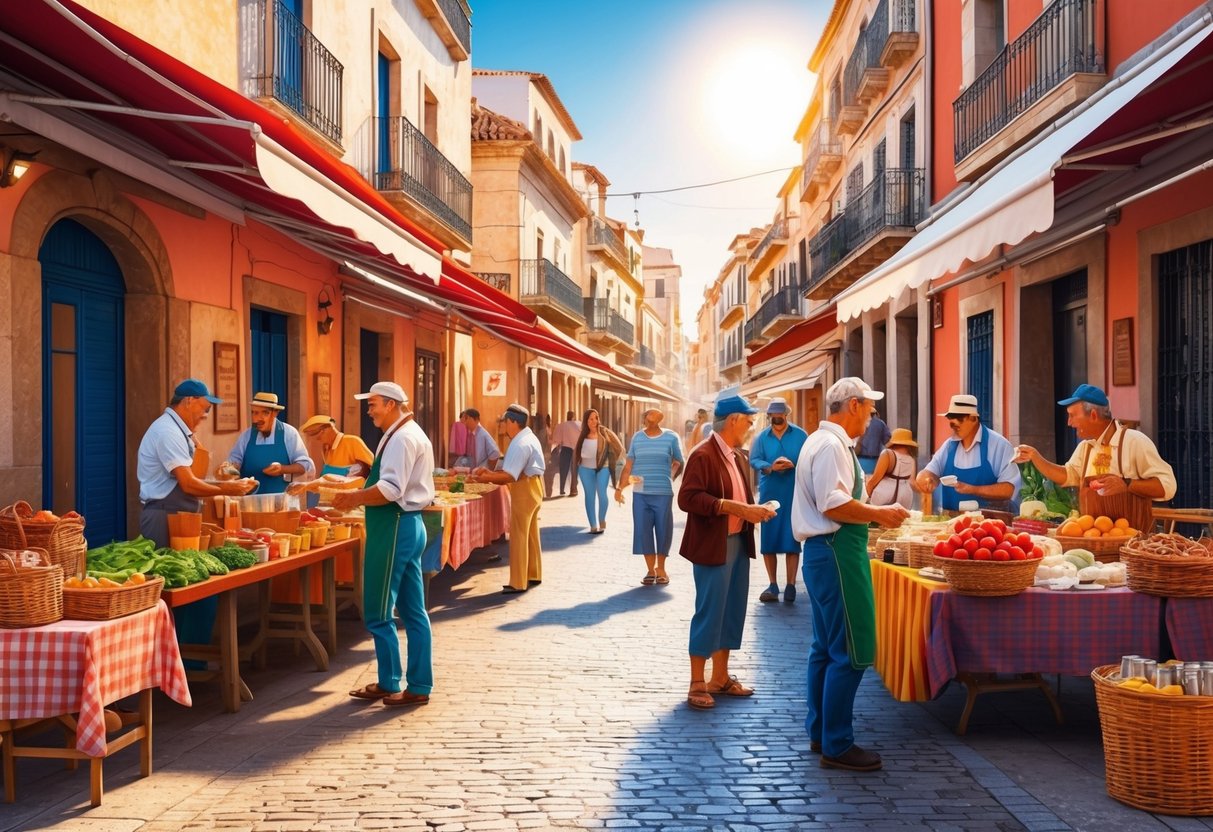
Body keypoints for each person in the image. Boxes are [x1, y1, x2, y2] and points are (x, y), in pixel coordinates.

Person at [793, 378, 910, 772]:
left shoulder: (818, 441)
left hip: (825, 552)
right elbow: (834, 504)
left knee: (825, 648)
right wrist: (879, 513)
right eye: (871, 409)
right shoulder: (831, 446)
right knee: (853, 650)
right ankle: (837, 743)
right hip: (837, 551)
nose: (872, 418)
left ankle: (821, 732)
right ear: (855, 406)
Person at [136, 379, 256, 651]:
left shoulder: (181, 432)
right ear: (188, 401)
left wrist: (220, 481)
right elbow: (188, 484)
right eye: (203, 408)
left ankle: (190, 660)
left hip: (181, 515)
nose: (205, 416)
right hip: (164, 517)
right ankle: (172, 661)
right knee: (171, 593)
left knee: (194, 589)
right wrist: (229, 488)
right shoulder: (167, 431)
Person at [336, 382, 434, 709]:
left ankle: (390, 681)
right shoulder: (405, 432)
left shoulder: (402, 437)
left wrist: (351, 498)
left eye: (373, 404)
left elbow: (390, 489)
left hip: (393, 527)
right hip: (407, 526)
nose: (369, 410)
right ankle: (418, 685)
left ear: (391, 405)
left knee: (378, 612)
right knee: (414, 612)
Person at [678, 395, 777, 711]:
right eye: (749, 421)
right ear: (733, 420)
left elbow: (739, 497)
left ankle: (719, 677)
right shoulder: (703, 454)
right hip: (713, 544)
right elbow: (688, 498)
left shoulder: (738, 456)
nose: (751, 428)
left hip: (736, 541)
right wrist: (732, 507)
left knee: (732, 610)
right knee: (709, 611)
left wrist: (753, 511)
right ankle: (697, 682)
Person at [1012, 384, 1176, 531]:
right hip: (1094, 538)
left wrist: (1127, 484)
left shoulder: (1135, 441)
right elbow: (1068, 476)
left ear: (1093, 415)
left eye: (1072, 415)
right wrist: (1036, 457)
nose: (1069, 423)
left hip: (1133, 539)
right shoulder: (1085, 447)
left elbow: (1167, 487)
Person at [468, 403, 545, 594]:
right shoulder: (528, 437)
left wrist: (486, 477)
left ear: (513, 422)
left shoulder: (519, 443)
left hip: (523, 489)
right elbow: (509, 470)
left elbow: (510, 476)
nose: (503, 426)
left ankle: (518, 582)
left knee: (519, 535)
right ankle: (534, 573)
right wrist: (490, 473)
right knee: (531, 534)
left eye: (505, 422)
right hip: (534, 486)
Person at [913, 394, 1021, 514]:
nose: (953, 424)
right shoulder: (948, 446)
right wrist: (925, 479)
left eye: (959, 418)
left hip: (990, 525)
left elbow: (1008, 489)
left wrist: (972, 489)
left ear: (973, 419)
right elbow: (929, 472)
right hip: (952, 525)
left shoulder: (999, 445)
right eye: (951, 418)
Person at [749, 397, 809, 603]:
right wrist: (770, 466)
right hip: (770, 491)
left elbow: (809, 459)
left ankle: (791, 585)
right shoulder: (761, 438)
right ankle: (772, 584)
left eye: (780, 415)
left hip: (793, 491)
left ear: (786, 414)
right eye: (773, 415)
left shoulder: (801, 435)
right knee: (770, 537)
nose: (777, 418)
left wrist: (795, 464)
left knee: (792, 537)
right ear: (769, 416)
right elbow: (753, 459)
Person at [616, 408, 684, 585]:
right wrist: (619, 488)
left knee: (663, 529)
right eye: (650, 412)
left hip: (662, 491)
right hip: (640, 492)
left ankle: (661, 568)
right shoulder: (638, 438)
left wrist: (671, 474)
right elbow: (629, 465)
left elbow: (679, 461)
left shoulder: (671, 437)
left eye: (657, 412)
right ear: (645, 418)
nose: (655, 413)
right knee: (643, 530)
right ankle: (649, 570)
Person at [219, 392, 314, 493]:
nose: (257, 419)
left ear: (275, 413)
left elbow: (304, 465)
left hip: (281, 501)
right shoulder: (246, 436)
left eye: (264, 413)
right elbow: (234, 462)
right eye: (255, 413)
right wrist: (226, 469)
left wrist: (282, 469)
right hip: (249, 502)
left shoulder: (289, 434)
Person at [572, 409, 624, 534]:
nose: (594, 421)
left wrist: (613, 461)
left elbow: (619, 448)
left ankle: (602, 520)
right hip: (585, 468)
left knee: (602, 493)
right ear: (586, 421)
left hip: (603, 468)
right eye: (590, 419)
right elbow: (577, 452)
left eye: (596, 418)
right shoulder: (582, 434)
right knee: (589, 496)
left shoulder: (605, 432)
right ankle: (593, 525)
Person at [297, 415, 374, 480]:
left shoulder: (352, 441)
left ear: (326, 429)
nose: (317, 439)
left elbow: (373, 469)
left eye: (316, 434)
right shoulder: (325, 448)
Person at [866, 428, 918, 510]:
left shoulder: (887, 454)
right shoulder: (911, 459)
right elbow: (912, 481)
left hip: (885, 494)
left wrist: (866, 498)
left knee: (876, 521)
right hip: (906, 496)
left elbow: (874, 480)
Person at [552, 410, 581, 496]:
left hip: (565, 449)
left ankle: (562, 489)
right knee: (575, 470)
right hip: (576, 450)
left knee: (563, 470)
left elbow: (556, 440)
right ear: (574, 417)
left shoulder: (561, 425)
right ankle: (574, 489)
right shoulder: (579, 424)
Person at [855, 408, 891, 475]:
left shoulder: (859, 422)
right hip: (875, 461)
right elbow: (887, 440)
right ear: (875, 414)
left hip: (860, 460)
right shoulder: (880, 423)